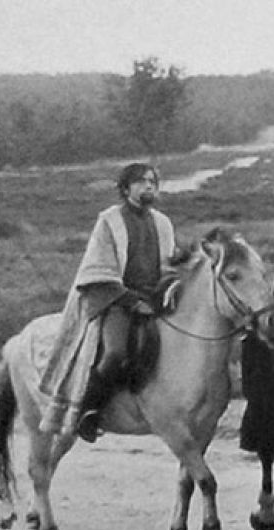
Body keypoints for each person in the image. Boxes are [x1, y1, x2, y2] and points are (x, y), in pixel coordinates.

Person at [39, 162, 183, 442]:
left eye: (152, 182)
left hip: (152, 299)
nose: (148, 187)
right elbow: (98, 268)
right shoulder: (109, 220)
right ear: (126, 188)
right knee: (115, 352)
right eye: (141, 182)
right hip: (117, 300)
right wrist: (130, 301)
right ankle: (88, 412)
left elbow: (168, 264)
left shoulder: (162, 223)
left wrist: (171, 285)